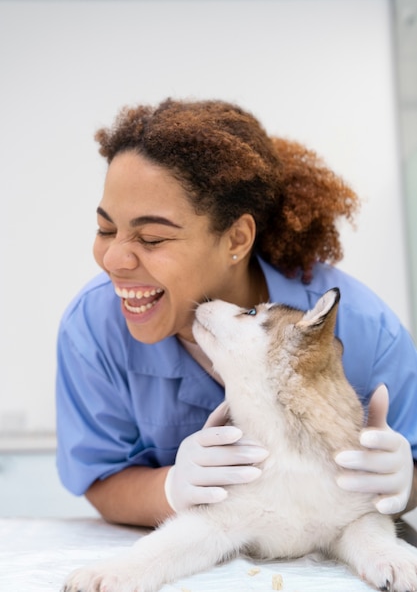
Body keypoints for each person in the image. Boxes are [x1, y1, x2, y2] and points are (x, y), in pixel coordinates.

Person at [56, 98, 417, 528]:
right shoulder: (93, 329)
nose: (113, 259)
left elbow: (412, 469)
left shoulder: (362, 328)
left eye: (151, 238)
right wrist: (170, 489)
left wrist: (402, 483)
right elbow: (100, 477)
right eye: (106, 229)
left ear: (236, 239)